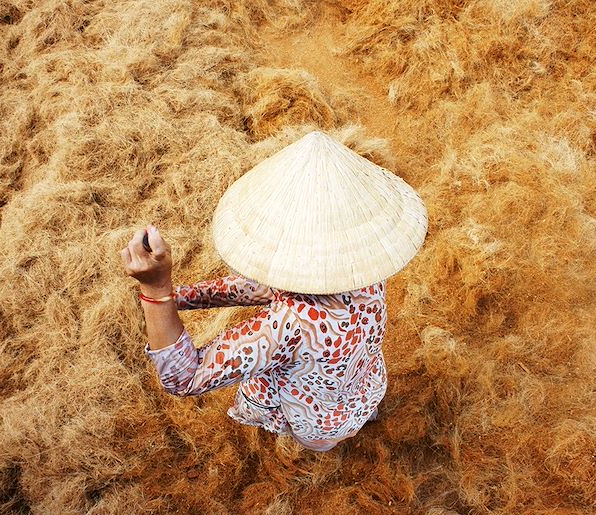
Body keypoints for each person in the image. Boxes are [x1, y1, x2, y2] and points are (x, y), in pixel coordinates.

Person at [120, 131, 427, 451]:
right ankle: (362, 420)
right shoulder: (367, 264)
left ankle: (327, 443)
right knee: (353, 414)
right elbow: (265, 288)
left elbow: (185, 378)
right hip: (368, 384)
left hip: (317, 421)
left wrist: (157, 291)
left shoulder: (289, 325)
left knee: (321, 443)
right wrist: (180, 298)